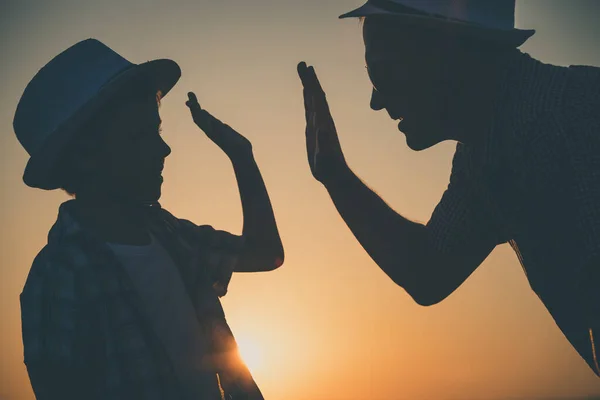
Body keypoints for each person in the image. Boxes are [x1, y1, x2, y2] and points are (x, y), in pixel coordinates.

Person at [297, 0, 600, 376]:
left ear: (445, 53)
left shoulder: (579, 123)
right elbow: (429, 270)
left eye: (382, 72)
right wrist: (336, 176)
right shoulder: (483, 155)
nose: (376, 100)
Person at [16, 38, 284, 399]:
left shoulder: (172, 236)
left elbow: (267, 254)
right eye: (140, 135)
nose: (164, 148)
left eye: (157, 130)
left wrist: (242, 156)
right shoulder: (59, 274)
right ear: (85, 157)